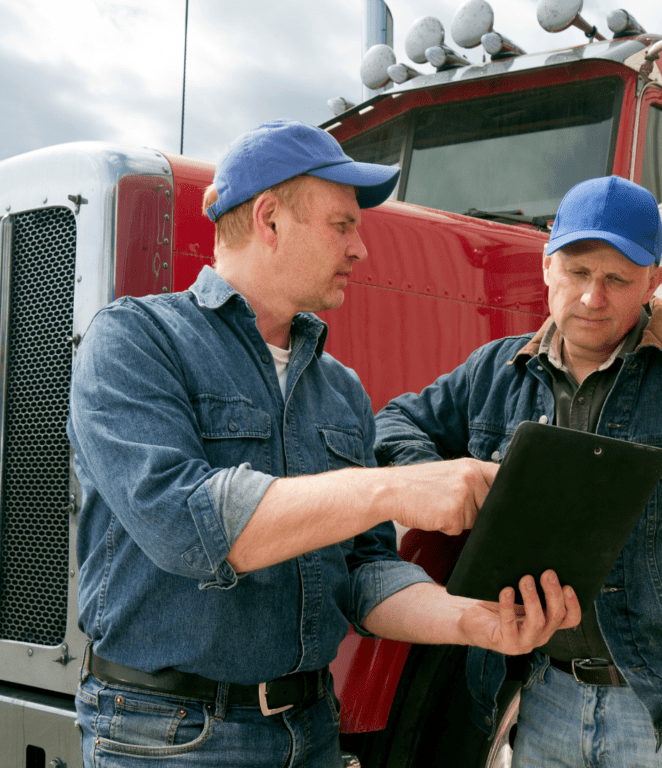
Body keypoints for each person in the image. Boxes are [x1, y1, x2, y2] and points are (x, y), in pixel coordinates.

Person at [67, 119, 581, 768]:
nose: (361, 249)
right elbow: (186, 525)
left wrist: (470, 622)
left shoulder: (338, 387)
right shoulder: (135, 342)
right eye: (343, 225)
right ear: (270, 219)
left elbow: (363, 573)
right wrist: (394, 487)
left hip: (312, 729)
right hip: (171, 738)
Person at [374, 175, 662, 767]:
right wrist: (440, 480)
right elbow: (392, 423)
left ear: (655, 282)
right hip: (542, 705)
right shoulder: (492, 372)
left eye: (617, 279)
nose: (592, 298)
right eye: (579, 272)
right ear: (547, 266)